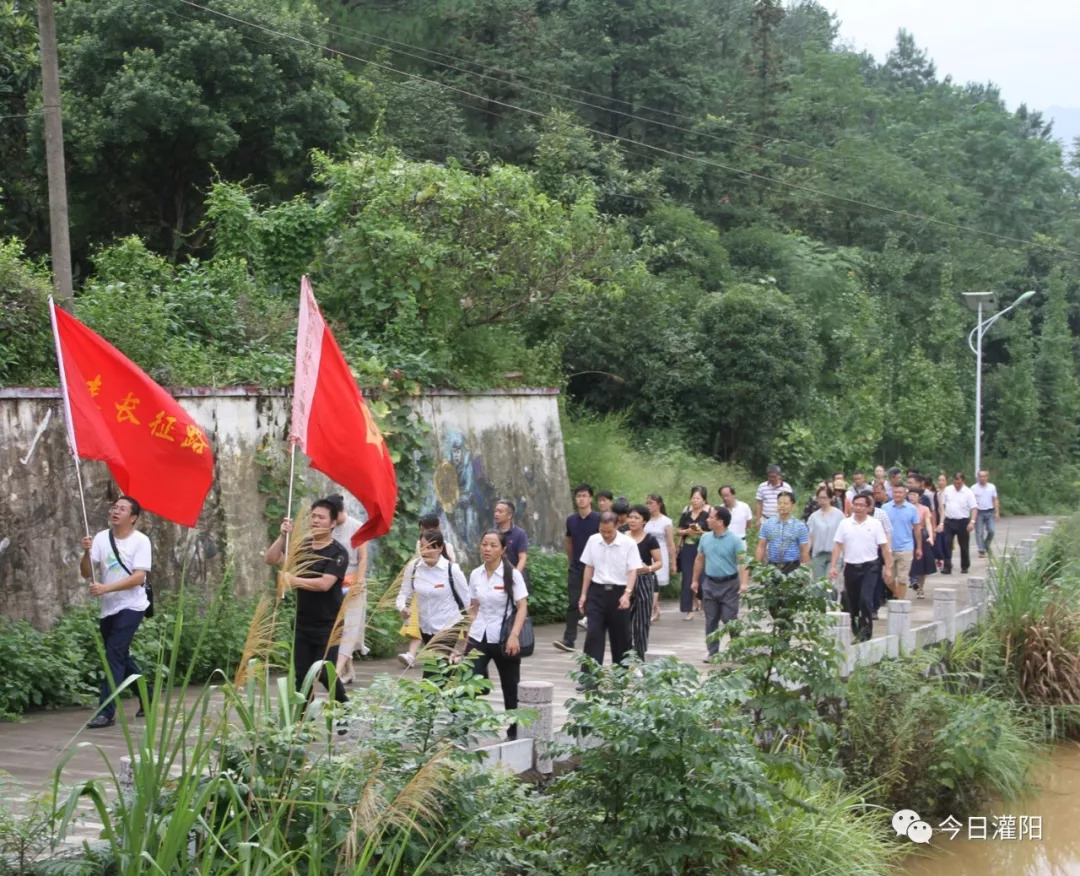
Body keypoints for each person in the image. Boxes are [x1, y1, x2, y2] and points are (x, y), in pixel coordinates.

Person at [264, 499, 348, 707]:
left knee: (324, 673)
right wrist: (283, 536)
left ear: (332, 523)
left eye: (321, 517)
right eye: (314, 516)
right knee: (301, 677)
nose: (316, 520)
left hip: (328, 624)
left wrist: (294, 580)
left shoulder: (338, 553)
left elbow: (324, 584)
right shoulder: (302, 546)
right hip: (302, 623)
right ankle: (303, 723)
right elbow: (271, 558)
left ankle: (344, 706)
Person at [78, 496, 152, 729]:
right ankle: (147, 694)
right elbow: (86, 573)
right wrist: (86, 553)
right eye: (114, 508)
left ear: (133, 517)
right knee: (120, 656)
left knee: (114, 655)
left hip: (133, 605)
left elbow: (139, 577)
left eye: (122, 509)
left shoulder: (141, 541)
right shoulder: (101, 538)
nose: (115, 512)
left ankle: (106, 711)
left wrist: (105, 588)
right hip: (109, 608)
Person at [465, 530, 529, 740]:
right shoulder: (475, 574)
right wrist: (464, 637)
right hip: (479, 634)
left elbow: (522, 607)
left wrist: (514, 635)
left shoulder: (512, 574)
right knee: (467, 680)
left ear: (502, 550)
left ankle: (514, 730)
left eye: (493, 545)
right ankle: (461, 729)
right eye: (484, 544)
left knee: (511, 686)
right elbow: (473, 607)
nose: (487, 549)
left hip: (504, 637)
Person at [395, 530, 469, 677]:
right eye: (422, 547)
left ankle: (432, 695)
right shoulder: (414, 567)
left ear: (440, 548)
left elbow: (467, 599)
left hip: (448, 625)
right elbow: (403, 594)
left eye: (430, 547)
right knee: (443, 670)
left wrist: (469, 628)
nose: (425, 551)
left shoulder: (451, 569)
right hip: (426, 627)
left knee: (432, 673)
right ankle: (455, 690)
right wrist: (403, 607)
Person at [578, 510, 640, 677]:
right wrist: (583, 594)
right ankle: (589, 678)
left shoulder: (628, 543)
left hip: (619, 592)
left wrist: (627, 594)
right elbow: (588, 567)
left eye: (609, 532)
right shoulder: (593, 540)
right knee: (593, 635)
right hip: (597, 592)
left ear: (617, 526)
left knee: (620, 636)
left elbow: (632, 571)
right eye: (602, 531)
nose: (605, 535)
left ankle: (621, 677)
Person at [831, 493, 893, 642]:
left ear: (868, 508)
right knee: (852, 603)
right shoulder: (845, 523)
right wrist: (833, 566)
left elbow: (885, 547)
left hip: (870, 567)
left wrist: (888, 568)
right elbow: (838, 545)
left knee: (865, 600)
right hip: (851, 567)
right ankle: (857, 632)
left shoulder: (875, 524)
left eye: (862, 505)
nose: (858, 508)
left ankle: (866, 633)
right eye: (856, 504)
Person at [691, 506, 748, 661]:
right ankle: (712, 652)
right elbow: (699, 558)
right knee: (711, 619)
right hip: (709, 583)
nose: (707, 520)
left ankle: (737, 649)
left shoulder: (735, 540)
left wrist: (744, 584)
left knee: (729, 618)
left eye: (711, 517)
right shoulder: (705, 538)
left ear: (720, 522)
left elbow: (743, 562)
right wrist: (695, 580)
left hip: (729, 584)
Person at [327, 494, 369, 685]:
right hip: (333, 584)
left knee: (350, 628)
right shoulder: (330, 527)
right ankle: (349, 671)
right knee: (337, 629)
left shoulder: (357, 526)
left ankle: (335, 671)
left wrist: (358, 583)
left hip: (353, 583)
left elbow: (363, 558)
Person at [554, 483, 600, 653]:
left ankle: (595, 638)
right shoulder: (571, 520)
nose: (581, 499)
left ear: (590, 498)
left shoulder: (598, 519)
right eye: (578, 496)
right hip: (576, 567)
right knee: (573, 603)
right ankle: (569, 639)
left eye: (584, 496)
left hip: (596, 569)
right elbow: (569, 540)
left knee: (593, 604)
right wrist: (572, 560)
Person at [625, 505, 662, 659]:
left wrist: (647, 569)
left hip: (644, 581)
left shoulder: (650, 539)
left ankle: (639, 657)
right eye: (630, 517)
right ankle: (623, 657)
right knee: (623, 621)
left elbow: (659, 562)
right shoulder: (621, 536)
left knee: (641, 622)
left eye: (637, 518)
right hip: (624, 580)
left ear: (644, 521)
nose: (632, 521)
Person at [675, 486, 710, 619]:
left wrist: (701, 532)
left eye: (698, 498)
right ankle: (688, 609)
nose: (695, 501)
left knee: (702, 579)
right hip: (688, 549)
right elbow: (678, 530)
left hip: (703, 549)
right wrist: (687, 532)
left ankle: (704, 602)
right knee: (687, 579)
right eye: (693, 498)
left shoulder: (708, 515)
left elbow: (712, 532)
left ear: (704, 500)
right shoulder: (686, 514)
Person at [754, 491, 809, 573]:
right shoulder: (767, 524)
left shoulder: (800, 526)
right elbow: (761, 546)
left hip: (792, 567)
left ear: (792, 505)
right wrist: (756, 567)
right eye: (779, 503)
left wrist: (805, 572)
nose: (782, 506)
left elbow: (804, 551)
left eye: (786, 504)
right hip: (772, 566)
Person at [884, 483, 922, 600]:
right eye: (895, 492)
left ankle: (900, 604)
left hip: (906, 548)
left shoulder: (912, 509)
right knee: (887, 578)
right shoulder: (885, 508)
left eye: (900, 492)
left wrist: (919, 547)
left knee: (902, 578)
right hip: (889, 549)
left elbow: (917, 529)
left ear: (905, 494)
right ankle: (897, 594)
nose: (897, 495)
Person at [938, 472, 977, 575]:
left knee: (963, 545)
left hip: (963, 521)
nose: (957, 485)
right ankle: (947, 566)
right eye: (955, 483)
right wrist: (941, 522)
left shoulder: (968, 492)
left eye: (959, 483)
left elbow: (974, 508)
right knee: (946, 543)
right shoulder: (948, 490)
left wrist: (972, 522)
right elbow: (943, 507)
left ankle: (964, 566)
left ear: (963, 482)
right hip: (949, 521)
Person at [644, 494, 676, 622]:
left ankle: (651, 609)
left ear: (659, 504)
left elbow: (670, 543)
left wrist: (673, 562)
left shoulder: (666, 521)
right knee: (649, 581)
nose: (649, 505)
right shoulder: (645, 519)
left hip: (661, 551)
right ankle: (655, 608)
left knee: (656, 583)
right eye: (647, 502)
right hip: (647, 552)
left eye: (651, 502)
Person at [806, 485, 845, 590]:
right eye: (820, 498)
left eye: (825, 498)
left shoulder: (839, 515)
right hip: (818, 554)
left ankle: (830, 604)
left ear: (831, 498)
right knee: (817, 585)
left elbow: (843, 536)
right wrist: (805, 554)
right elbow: (810, 537)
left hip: (834, 554)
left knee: (828, 583)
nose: (822, 500)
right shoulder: (813, 517)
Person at [907, 485, 937, 600]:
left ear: (919, 497)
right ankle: (913, 580)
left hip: (920, 535)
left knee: (923, 564)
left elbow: (928, 523)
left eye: (914, 495)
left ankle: (920, 587)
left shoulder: (924, 509)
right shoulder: (905, 508)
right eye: (910, 495)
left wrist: (930, 536)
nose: (911, 497)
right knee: (911, 561)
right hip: (908, 536)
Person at [493, 500, 529, 578]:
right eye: (495, 511)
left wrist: (515, 576)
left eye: (500, 512)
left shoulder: (520, 534)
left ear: (509, 515)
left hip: (515, 576)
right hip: (496, 577)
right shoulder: (492, 534)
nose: (496, 514)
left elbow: (522, 558)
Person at [972, 469, 1000, 558]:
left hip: (989, 511)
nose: (982, 478)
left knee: (991, 531)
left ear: (987, 477)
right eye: (980, 476)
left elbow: (995, 499)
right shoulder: (973, 488)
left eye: (984, 476)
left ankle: (986, 544)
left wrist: (997, 512)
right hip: (978, 512)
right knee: (979, 532)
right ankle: (981, 550)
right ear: (978, 477)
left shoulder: (992, 487)